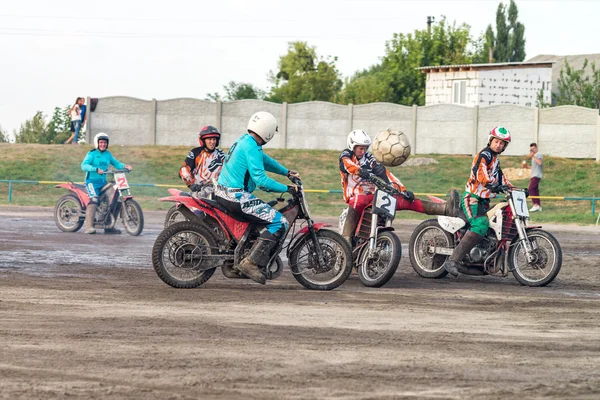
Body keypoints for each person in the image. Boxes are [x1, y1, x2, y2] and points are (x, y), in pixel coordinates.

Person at [215, 111, 299, 284]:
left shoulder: (246, 141)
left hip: (224, 193)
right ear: (267, 131)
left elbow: (264, 160)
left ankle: (248, 249)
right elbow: (261, 179)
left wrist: (286, 172)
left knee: (264, 212)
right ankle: (251, 263)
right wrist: (287, 188)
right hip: (236, 197)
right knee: (280, 222)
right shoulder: (251, 146)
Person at [339, 129, 459, 244]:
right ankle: (346, 239)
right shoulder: (347, 155)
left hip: (373, 197)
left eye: (365, 148)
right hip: (354, 197)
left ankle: (444, 208)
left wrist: (403, 189)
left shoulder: (369, 158)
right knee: (361, 199)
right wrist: (360, 171)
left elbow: (385, 173)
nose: (363, 151)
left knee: (406, 200)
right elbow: (346, 164)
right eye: (361, 148)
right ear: (353, 146)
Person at [442, 126, 516, 277]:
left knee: (493, 225)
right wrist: (491, 184)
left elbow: (502, 178)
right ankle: (453, 261)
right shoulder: (485, 155)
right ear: (490, 141)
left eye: (502, 144)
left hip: (484, 201)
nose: (498, 145)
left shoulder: (495, 160)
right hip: (473, 198)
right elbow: (481, 174)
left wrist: (516, 189)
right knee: (480, 224)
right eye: (496, 141)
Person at [81, 132, 132, 234]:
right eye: (101, 142)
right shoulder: (91, 154)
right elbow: (83, 165)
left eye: (105, 142)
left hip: (103, 182)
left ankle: (109, 227)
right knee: (94, 199)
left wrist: (125, 166)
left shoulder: (108, 154)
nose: (103, 144)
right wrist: (95, 169)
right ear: (97, 143)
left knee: (114, 200)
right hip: (91, 182)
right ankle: (88, 226)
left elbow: (116, 163)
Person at [179, 125, 225, 198]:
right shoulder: (195, 152)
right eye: (209, 139)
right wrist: (192, 185)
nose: (212, 142)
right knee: (198, 209)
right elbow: (184, 170)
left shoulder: (221, 154)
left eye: (214, 139)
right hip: (199, 190)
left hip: (219, 190)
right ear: (203, 140)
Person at [528, 142, 543, 212]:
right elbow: (534, 167)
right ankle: (538, 206)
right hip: (534, 174)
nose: (533, 150)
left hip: (536, 175)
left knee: (530, 189)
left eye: (533, 148)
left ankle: (535, 205)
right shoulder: (534, 157)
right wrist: (527, 166)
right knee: (535, 190)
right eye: (531, 149)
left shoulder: (538, 154)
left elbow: (540, 163)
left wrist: (533, 156)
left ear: (536, 148)